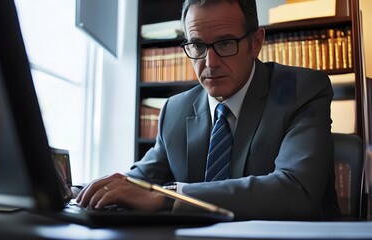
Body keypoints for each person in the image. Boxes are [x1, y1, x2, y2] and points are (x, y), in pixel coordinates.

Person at [77, 0, 340, 220]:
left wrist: (169, 198)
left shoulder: (300, 90)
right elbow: (138, 183)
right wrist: (82, 190)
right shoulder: (175, 110)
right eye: (198, 46)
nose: (209, 63)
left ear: (256, 42)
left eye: (225, 43)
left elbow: (296, 191)